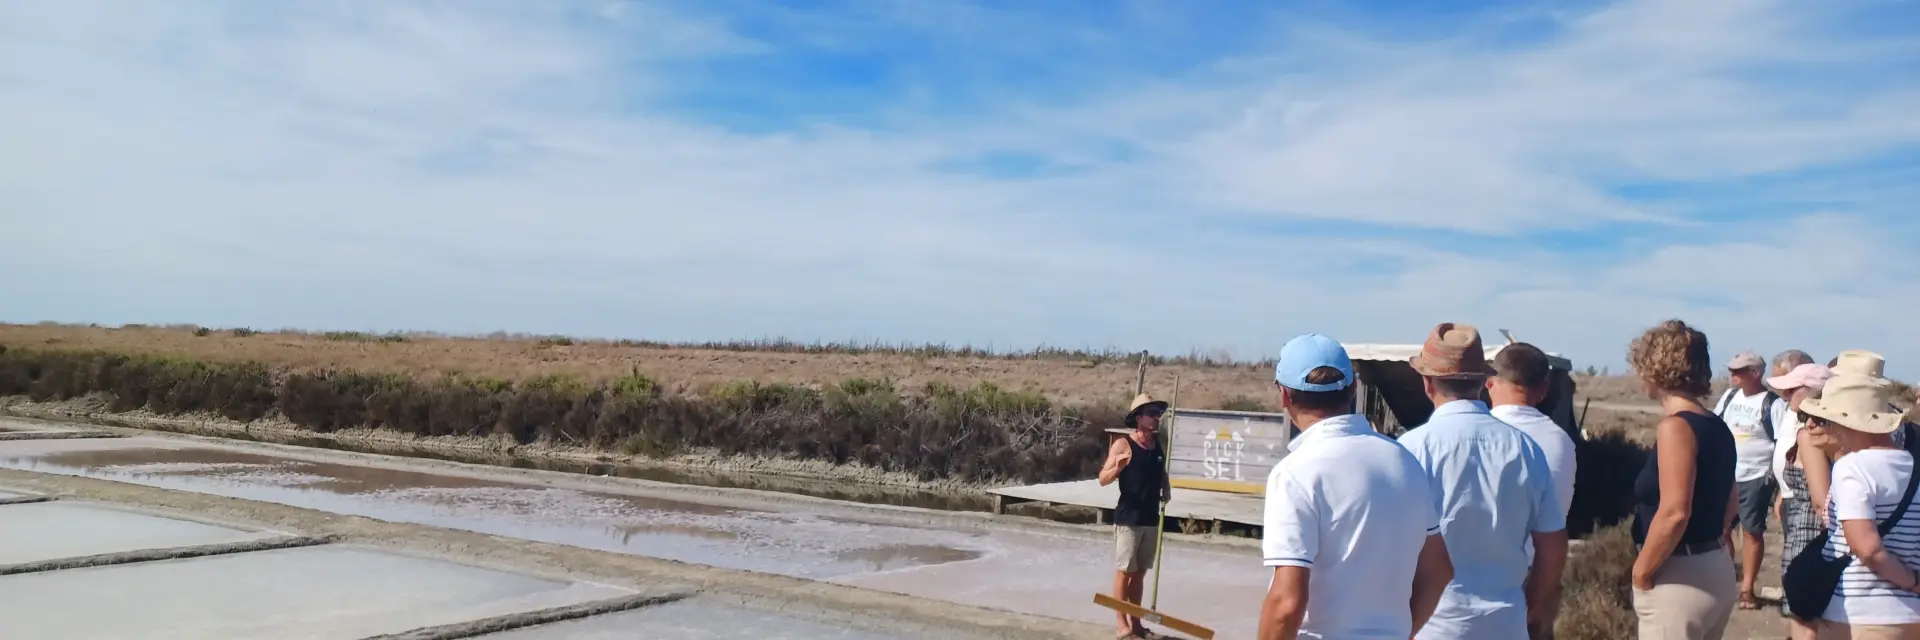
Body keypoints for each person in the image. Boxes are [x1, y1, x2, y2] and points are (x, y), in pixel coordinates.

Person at [1258, 334, 1454, 640]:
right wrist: (1401, 630)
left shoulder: (1295, 473)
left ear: (1284, 395)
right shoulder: (1403, 460)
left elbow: (1287, 603)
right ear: (1352, 390)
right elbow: (1439, 568)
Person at [1396, 323, 1568, 640]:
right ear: (1482, 381)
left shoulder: (1411, 450)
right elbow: (1553, 544)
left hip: (1432, 625)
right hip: (1505, 621)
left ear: (1427, 383)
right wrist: (1532, 607)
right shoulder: (1526, 448)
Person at [1629, 320, 1738, 639]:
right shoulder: (1717, 426)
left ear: (1653, 369)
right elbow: (1731, 503)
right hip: (1714, 567)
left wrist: (1642, 571)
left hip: (1678, 576)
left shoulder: (1676, 428)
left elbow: (1675, 511)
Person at [1801, 356, 1920, 639]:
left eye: (1826, 421)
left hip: (1860, 611)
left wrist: (1912, 582)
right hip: (1911, 615)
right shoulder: (1912, 463)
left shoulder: (1852, 468)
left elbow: (1867, 548)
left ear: (1845, 423)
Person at [1489, 342, 1579, 639]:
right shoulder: (1561, 442)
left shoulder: (1480, 435)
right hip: (1539, 572)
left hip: (1482, 575)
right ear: (1543, 389)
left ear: (1490, 383)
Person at [1716, 349, 1792, 611]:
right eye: (1731, 370)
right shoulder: (1729, 397)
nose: (1732, 375)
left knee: (1751, 532)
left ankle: (1747, 589)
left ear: (1755, 373)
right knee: (1721, 530)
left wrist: (1778, 482)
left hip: (1756, 476)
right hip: (1727, 474)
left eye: (1738, 371)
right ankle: (1726, 582)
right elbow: (1717, 425)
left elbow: (1782, 442)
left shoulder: (1773, 403)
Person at [1098, 392, 1172, 638]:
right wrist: (1118, 467)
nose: (1156, 418)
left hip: (1150, 518)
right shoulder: (1123, 444)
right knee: (1124, 571)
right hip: (1129, 518)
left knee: (1139, 573)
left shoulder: (1157, 446)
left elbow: (1160, 472)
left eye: (1158, 414)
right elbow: (1102, 479)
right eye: (1151, 414)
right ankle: (1122, 626)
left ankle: (1137, 623)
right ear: (1138, 418)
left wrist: (1166, 485)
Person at [1770, 363, 1834, 640]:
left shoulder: (1811, 436)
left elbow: (1821, 502)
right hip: (1806, 526)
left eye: (1791, 389)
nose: (1785, 394)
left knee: (1804, 616)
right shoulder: (1826, 430)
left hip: (1809, 532)